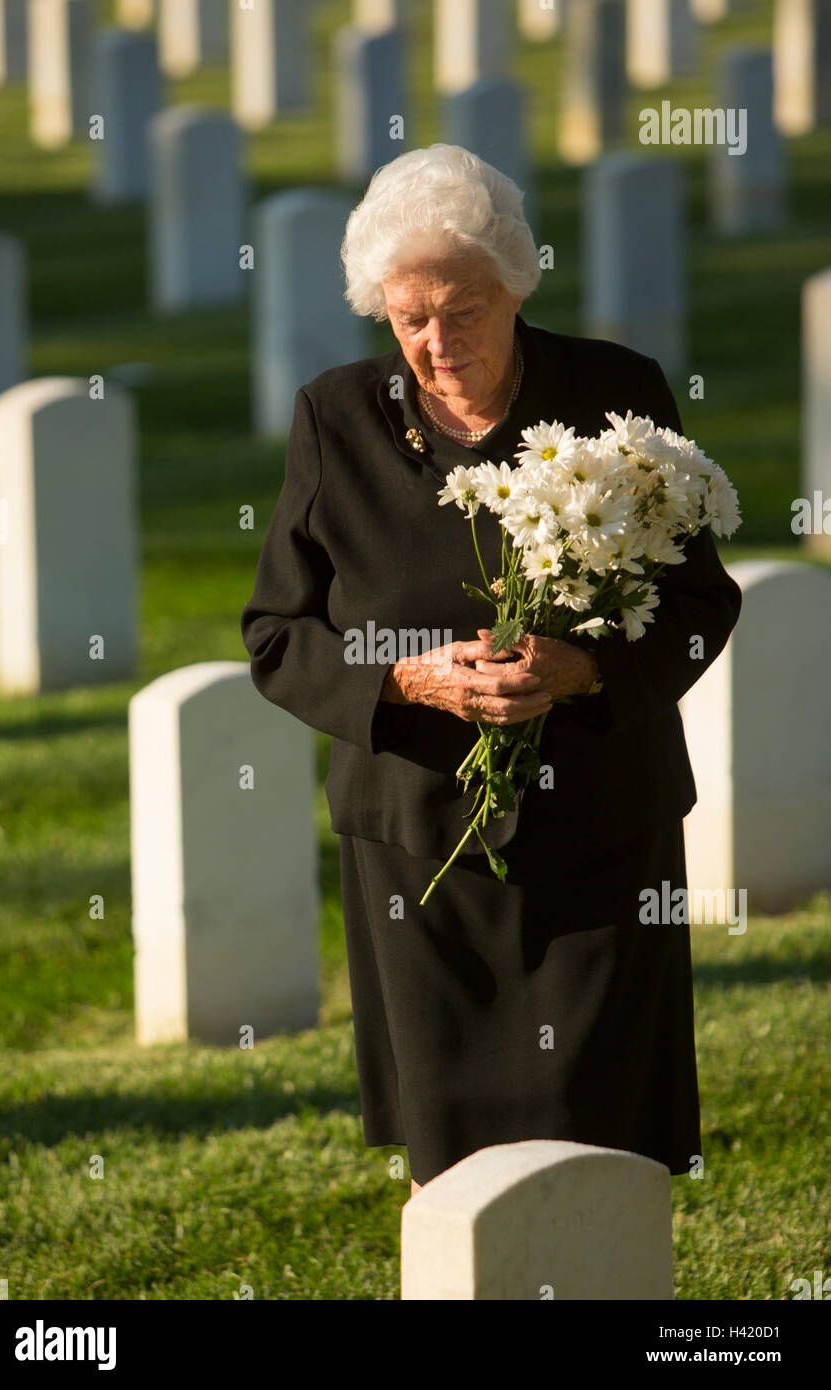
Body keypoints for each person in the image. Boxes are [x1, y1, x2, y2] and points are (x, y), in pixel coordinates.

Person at [240, 145, 742, 1201]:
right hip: (422, 858)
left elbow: (700, 604)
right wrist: (402, 681)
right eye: (406, 315)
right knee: (458, 1164)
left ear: (515, 283)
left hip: (604, 832)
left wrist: (585, 670)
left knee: (601, 1143)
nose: (434, 341)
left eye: (460, 308)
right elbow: (277, 633)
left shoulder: (615, 396)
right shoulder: (336, 418)